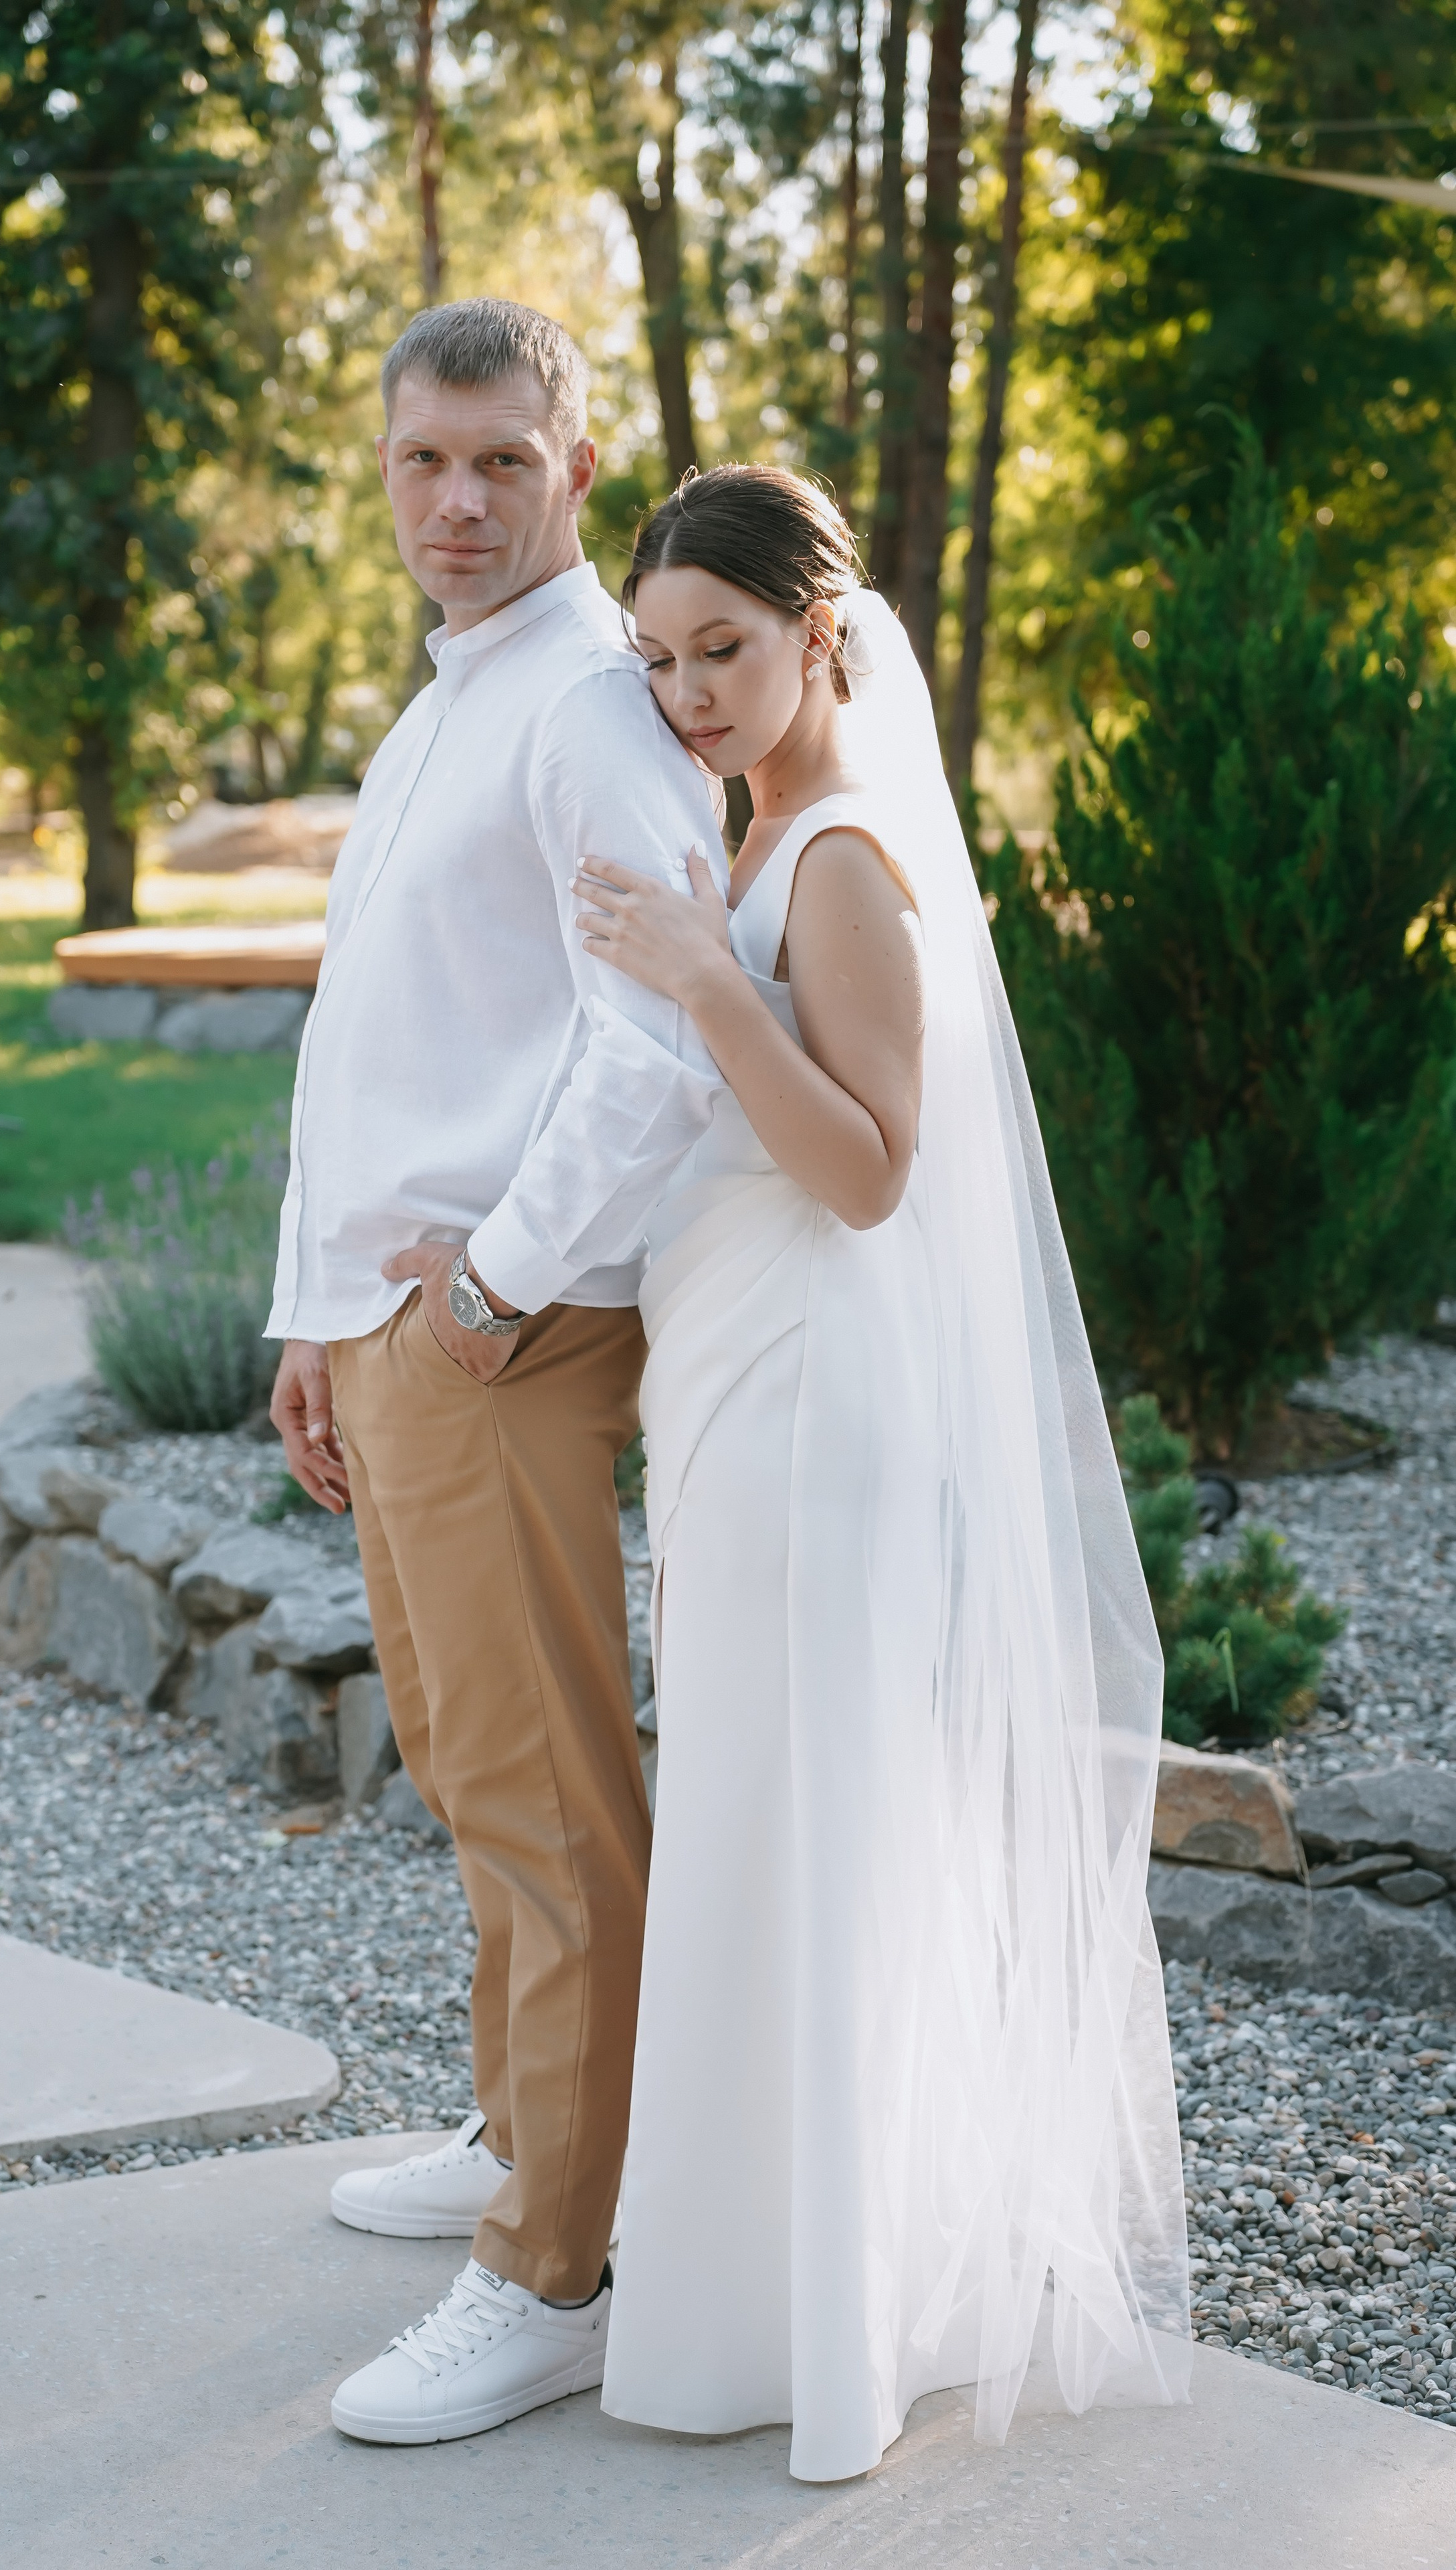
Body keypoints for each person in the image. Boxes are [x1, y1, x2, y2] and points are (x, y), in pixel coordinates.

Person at [573, 466, 1191, 2482]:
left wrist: (701, 982)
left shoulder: (839, 859)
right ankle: (764, 2292)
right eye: (659, 659)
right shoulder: (746, 835)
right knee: (757, 1815)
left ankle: (828, 2329)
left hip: (823, 1407)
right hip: (737, 1396)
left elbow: (867, 1167)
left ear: (820, 636)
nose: (686, 692)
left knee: (803, 1820)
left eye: (723, 651)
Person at [266, 298, 729, 2446]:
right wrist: (313, 1315)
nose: (458, 505)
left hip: (502, 1331)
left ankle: (554, 2266)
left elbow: (660, 1031)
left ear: (575, 459)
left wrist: (486, 1290)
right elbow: (369, 1041)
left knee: (546, 1800)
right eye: (423, 462)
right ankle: (524, 2125)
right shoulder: (435, 711)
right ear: (381, 460)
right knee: (464, 1759)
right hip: (392, 1328)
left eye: (503, 467)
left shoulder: (588, 707)